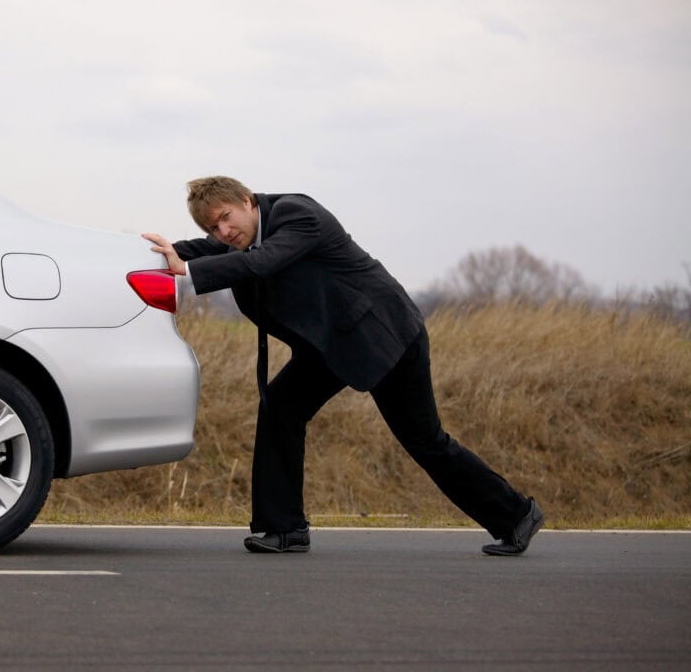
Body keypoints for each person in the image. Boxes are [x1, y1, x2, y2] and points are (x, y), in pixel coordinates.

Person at [142, 176, 543, 555]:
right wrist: (139, 254)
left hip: (384, 336)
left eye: (226, 217)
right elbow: (201, 251)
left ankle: (517, 515)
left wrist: (188, 272)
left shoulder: (297, 216)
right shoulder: (242, 239)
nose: (223, 233)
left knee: (425, 441)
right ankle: (285, 529)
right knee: (281, 407)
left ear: (246, 201)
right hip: (330, 346)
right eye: (214, 228)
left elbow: (263, 262)